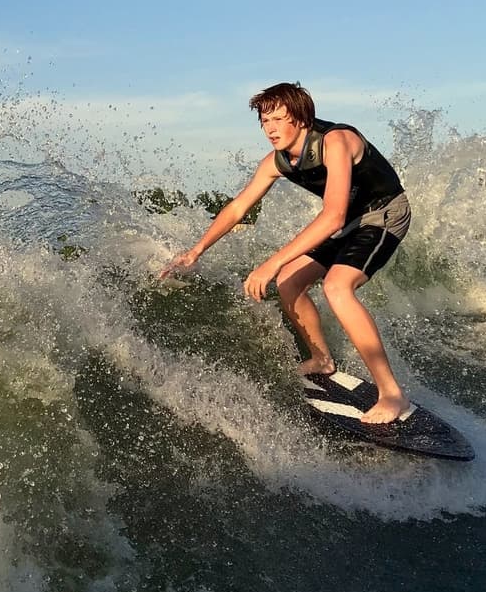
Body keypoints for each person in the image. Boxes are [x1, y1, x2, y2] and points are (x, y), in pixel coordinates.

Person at [160, 82, 413, 424]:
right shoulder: (277, 161)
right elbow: (238, 208)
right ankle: (322, 359)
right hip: (348, 219)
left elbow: (333, 215)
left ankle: (392, 394)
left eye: (279, 119)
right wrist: (195, 251)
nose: (271, 128)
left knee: (337, 287)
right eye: (265, 121)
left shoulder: (334, 142)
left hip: (383, 214)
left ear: (302, 118)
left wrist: (271, 261)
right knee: (289, 282)